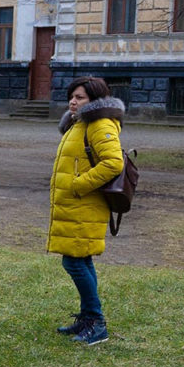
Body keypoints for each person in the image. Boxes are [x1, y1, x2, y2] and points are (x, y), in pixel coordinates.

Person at [49, 76, 125, 346]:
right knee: (81, 260)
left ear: (95, 100)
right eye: (72, 96)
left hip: (85, 204)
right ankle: (87, 318)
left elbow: (113, 163)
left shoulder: (99, 123)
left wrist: (78, 185)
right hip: (76, 204)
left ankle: (96, 322)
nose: (73, 101)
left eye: (79, 97)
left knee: (73, 262)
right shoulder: (79, 122)